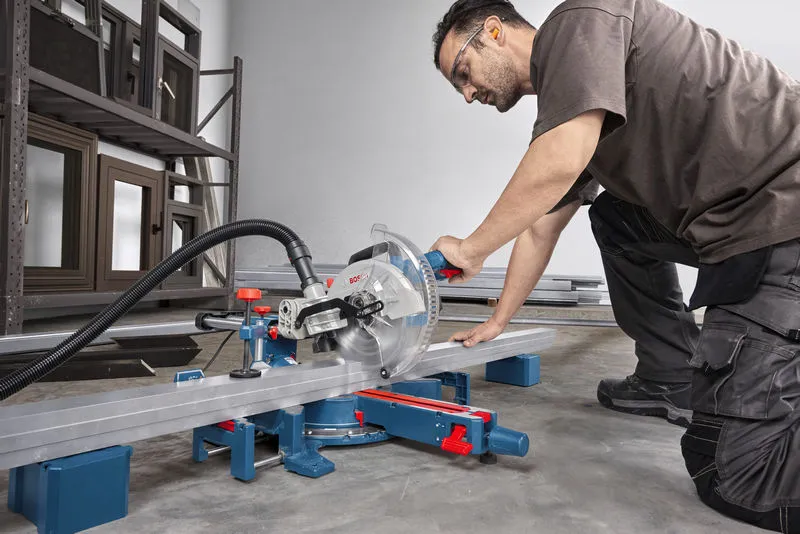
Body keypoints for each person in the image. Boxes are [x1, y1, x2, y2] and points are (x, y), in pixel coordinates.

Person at [429, 0, 800, 531]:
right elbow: (541, 224)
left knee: (741, 474)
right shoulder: (581, 102)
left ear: (493, 32)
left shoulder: (580, 22)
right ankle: (668, 373)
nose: (467, 93)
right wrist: (498, 321)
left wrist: (471, 248)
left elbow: (557, 159)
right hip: (744, 218)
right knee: (616, 219)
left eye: (462, 72)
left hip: (781, 209)